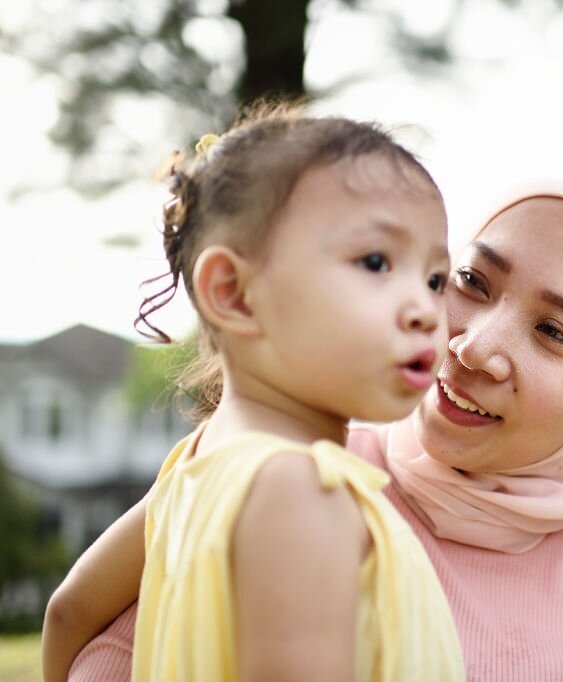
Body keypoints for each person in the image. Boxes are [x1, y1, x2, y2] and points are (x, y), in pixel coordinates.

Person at [47, 175, 563, 681]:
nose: (471, 344)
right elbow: (102, 645)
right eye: (473, 281)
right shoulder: (283, 472)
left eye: (554, 332)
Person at [40, 106, 465, 681]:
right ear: (234, 294)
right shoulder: (300, 489)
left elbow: (69, 612)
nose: (424, 310)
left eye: (435, 278)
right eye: (375, 262)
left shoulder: (189, 469)